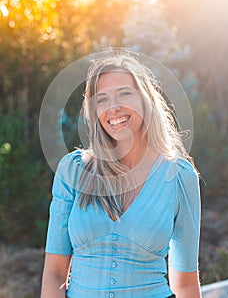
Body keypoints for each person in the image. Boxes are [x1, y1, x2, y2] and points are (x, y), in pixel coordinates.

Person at [40, 50, 202, 298]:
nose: (113, 108)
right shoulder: (72, 170)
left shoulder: (179, 176)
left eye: (125, 94)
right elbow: (54, 274)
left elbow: (186, 283)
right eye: (102, 99)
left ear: (145, 100)